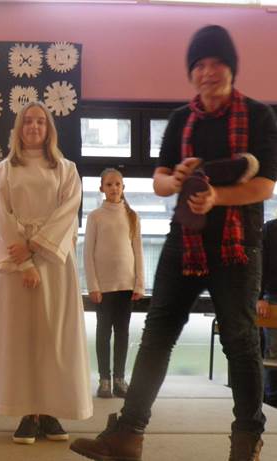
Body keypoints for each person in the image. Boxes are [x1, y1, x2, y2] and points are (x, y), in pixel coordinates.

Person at [70, 25, 277, 461]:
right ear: (191, 72)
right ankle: (128, 434)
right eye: (199, 65)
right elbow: (160, 180)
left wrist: (218, 198)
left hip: (238, 247)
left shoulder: (258, 116)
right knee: (158, 334)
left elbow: (264, 185)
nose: (208, 72)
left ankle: (246, 442)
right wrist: (177, 178)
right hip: (185, 240)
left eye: (217, 63)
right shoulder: (183, 118)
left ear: (232, 68)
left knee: (239, 340)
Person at [0, 101, 92, 445]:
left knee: (53, 337)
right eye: (28, 121)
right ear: (19, 128)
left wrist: (35, 248)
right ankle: (26, 412)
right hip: (15, 262)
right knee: (20, 338)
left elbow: (68, 212)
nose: (34, 127)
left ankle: (50, 410)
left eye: (40, 122)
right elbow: (3, 216)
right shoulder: (5, 169)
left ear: (49, 129)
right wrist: (24, 261)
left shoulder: (66, 169)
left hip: (54, 261)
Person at [84, 168, 144, 399]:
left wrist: (139, 284)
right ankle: (104, 380)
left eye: (117, 184)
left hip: (126, 286)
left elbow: (138, 252)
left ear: (123, 187)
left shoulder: (132, 216)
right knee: (103, 333)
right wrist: (93, 285)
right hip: (104, 287)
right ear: (101, 188)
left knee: (122, 333)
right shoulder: (95, 217)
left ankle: (119, 378)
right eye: (109, 184)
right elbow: (88, 253)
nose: (114, 188)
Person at [257, 218, 277, 407]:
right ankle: (272, 399)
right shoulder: (270, 229)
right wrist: (259, 297)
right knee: (273, 353)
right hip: (272, 296)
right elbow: (260, 265)